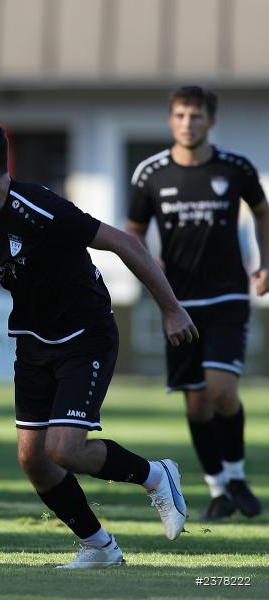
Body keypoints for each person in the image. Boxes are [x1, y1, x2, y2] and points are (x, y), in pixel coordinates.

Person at [0, 120, 199, 568]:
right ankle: (100, 547)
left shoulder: (39, 206)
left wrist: (171, 308)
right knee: (34, 459)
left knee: (65, 449)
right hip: (34, 341)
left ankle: (158, 476)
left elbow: (125, 243)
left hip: (85, 335)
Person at [127, 86, 268, 521]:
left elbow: (263, 212)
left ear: (211, 121)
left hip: (227, 294)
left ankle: (237, 474)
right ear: (172, 120)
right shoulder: (151, 174)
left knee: (222, 391)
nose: (188, 123)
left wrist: (264, 263)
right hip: (179, 302)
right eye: (181, 115)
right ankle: (219, 489)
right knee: (196, 402)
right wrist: (151, 265)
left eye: (197, 116)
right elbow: (131, 231)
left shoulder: (235, 167)